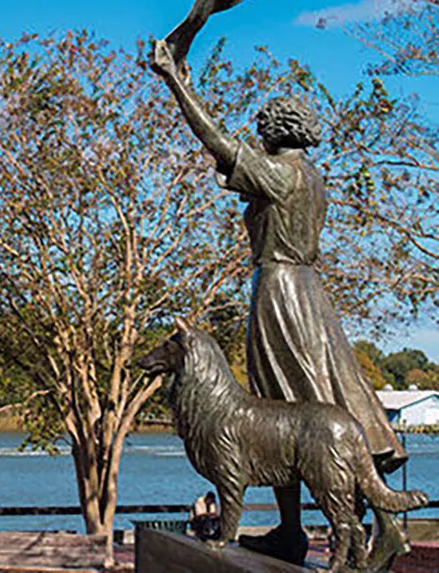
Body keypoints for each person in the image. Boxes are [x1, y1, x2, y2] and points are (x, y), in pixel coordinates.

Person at [150, 39, 408, 569]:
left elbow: (218, 143)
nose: (258, 134)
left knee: (296, 403)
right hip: (307, 292)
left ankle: (374, 528)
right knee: (287, 402)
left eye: (263, 126)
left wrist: (174, 81)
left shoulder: (282, 173)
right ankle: (293, 532)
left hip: (281, 293)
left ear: (277, 130)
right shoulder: (310, 175)